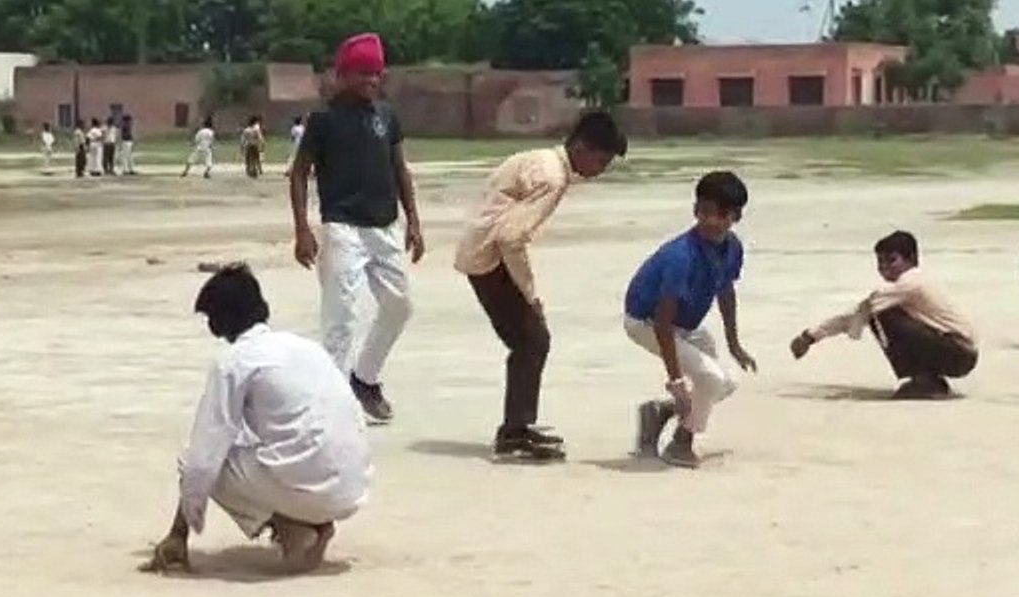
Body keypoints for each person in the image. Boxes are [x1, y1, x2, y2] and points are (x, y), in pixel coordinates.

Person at [139, 263, 372, 576]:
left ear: (222, 320)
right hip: (352, 486)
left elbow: (203, 457)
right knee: (268, 446)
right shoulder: (307, 348)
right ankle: (310, 519)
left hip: (311, 487)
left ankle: (296, 526)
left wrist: (180, 532)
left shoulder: (234, 362)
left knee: (194, 463)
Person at [453, 111, 628, 461]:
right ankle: (513, 435)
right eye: (602, 160)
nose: (601, 170)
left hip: (480, 251)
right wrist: (530, 295)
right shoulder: (552, 177)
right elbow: (510, 238)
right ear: (581, 147)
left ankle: (517, 428)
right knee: (533, 340)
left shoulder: (541, 160)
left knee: (528, 342)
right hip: (490, 260)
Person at [290, 32, 423, 424]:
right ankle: (330, 405)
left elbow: (400, 168)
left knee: (400, 306)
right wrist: (302, 228)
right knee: (341, 317)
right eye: (363, 73)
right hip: (342, 227)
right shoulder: (323, 120)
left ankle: (364, 380)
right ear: (343, 75)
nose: (371, 81)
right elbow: (298, 173)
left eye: (376, 74)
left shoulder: (386, 117)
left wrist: (413, 219)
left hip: (384, 226)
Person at [623, 171, 757, 468]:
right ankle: (681, 444)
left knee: (728, 382)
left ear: (736, 216)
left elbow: (725, 291)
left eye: (721, 214)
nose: (711, 221)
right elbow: (662, 321)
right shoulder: (681, 256)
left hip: (684, 326)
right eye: (704, 212)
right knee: (709, 379)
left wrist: (734, 343)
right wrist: (676, 381)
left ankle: (660, 412)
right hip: (645, 322)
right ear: (695, 210)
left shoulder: (731, 247)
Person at [789, 231, 978, 400]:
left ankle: (923, 380)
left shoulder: (909, 282)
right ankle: (929, 379)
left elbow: (859, 313)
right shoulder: (917, 280)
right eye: (880, 262)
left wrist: (810, 336)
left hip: (957, 352)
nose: (884, 267)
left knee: (880, 314)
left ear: (911, 258)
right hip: (961, 353)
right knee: (878, 311)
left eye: (892, 260)